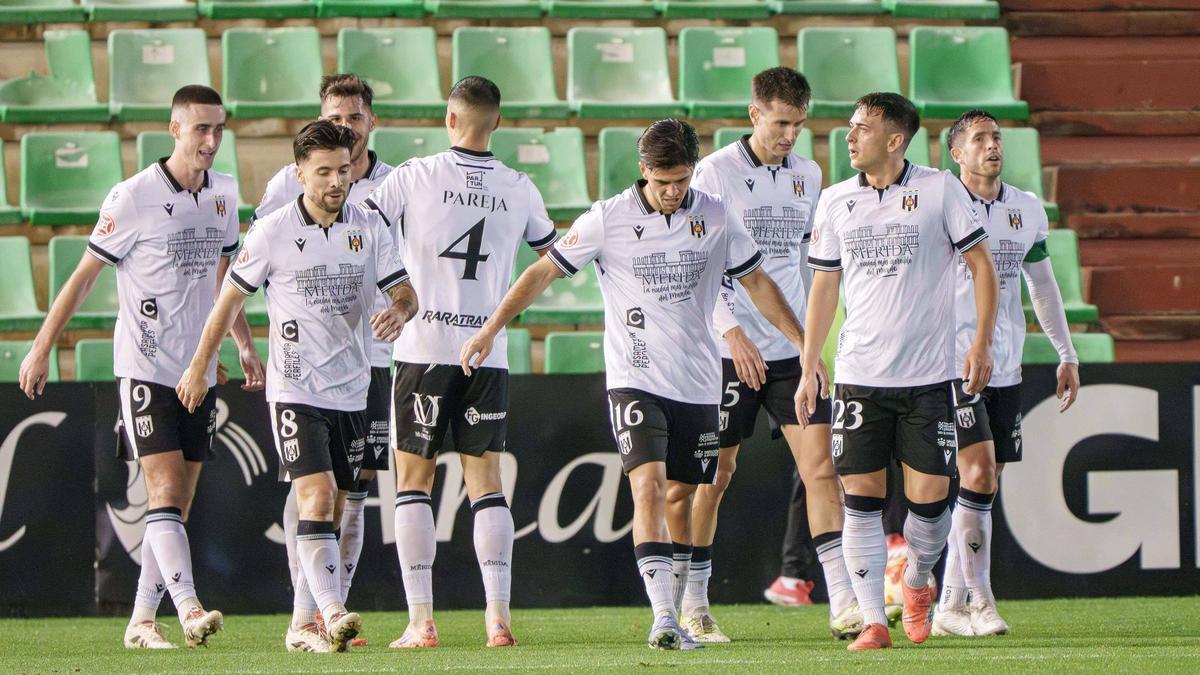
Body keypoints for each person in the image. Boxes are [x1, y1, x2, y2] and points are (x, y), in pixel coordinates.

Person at [461, 118, 818, 651]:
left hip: (698, 382)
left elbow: (758, 281)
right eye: (664, 181)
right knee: (647, 486)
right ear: (643, 171)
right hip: (634, 378)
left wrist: (804, 344)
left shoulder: (716, 216)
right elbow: (543, 271)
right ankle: (663, 620)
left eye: (683, 180)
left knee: (684, 492)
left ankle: (687, 604)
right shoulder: (609, 218)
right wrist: (490, 328)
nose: (674, 192)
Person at [18, 84, 264, 650]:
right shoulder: (132, 197)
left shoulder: (225, 193)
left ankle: (141, 622)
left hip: (198, 372)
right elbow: (83, 278)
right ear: (173, 129)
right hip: (146, 368)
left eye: (219, 129)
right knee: (165, 488)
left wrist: (243, 345)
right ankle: (190, 607)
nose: (211, 140)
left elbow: (228, 281)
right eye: (200, 129)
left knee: (177, 503)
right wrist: (41, 345)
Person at [176, 120, 417, 653]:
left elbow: (406, 293)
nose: (337, 180)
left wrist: (399, 312)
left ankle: (302, 625)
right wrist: (200, 363)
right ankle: (332, 611)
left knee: (335, 509)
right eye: (325, 171)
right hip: (295, 388)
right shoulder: (273, 231)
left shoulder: (370, 227)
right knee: (318, 492)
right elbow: (228, 302)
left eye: (345, 169)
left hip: (353, 387)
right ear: (301, 172)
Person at [798, 92, 1000, 651]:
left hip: (930, 377)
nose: (849, 135)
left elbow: (982, 268)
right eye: (850, 126)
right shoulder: (836, 200)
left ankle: (915, 581)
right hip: (860, 376)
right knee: (859, 499)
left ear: (894, 139)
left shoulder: (940, 189)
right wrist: (811, 360)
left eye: (862, 127)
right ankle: (872, 622)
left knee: (930, 504)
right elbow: (823, 286)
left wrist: (980, 343)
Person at [365, 76, 556, 649]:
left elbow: (361, 231)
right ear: (496, 122)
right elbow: (552, 257)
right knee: (487, 485)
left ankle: (421, 621)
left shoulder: (413, 176)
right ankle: (498, 617)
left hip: (422, 348)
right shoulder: (519, 188)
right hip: (486, 352)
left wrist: (392, 293)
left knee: (413, 485)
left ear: (450, 118)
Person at [673, 66, 854, 642]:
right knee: (716, 475)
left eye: (798, 125)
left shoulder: (810, 173)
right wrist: (730, 331)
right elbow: (699, 263)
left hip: (788, 353)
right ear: (754, 115)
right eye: (780, 123)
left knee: (823, 468)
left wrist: (810, 346)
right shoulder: (715, 173)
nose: (789, 136)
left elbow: (809, 268)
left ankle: (843, 600)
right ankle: (696, 603)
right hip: (727, 352)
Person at [255, 74, 395, 637]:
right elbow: (252, 264)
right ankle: (312, 614)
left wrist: (404, 310)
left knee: (352, 496)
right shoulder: (281, 193)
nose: (344, 126)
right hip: (305, 367)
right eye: (334, 117)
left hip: (374, 361)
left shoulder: (392, 187)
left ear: (370, 122)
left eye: (354, 117)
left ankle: (327, 610)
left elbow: (404, 270)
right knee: (311, 490)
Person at [932, 109, 1080, 638]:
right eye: (979, 139)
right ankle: (981, 600)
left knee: (986, 486)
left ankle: (949, 602)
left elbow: (1042, 285)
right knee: (976, 477)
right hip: (952, 361)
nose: (992, 146)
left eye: (996, 137)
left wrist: (1066, 353)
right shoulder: (938, 203)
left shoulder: (1026, 207)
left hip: (1006, 364)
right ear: (956, 153)